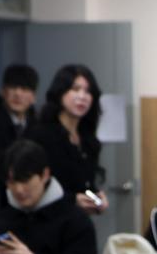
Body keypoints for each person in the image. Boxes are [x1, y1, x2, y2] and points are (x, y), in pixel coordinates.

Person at [27, 64, 108, 215]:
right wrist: (72, 200)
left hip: (78, 221)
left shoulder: (87, 139)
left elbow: (84, 184)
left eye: (88, 91)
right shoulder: (41, 134)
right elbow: (31, 186)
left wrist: (95, 197)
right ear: (60, 93)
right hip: (46, 218)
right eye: (75, 89)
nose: (82, 97)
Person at [0, 64, 39, 182]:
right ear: (2, 92)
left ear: (33, 97)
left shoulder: (39, 127)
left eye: (24, 89)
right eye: (13, 87)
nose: (18, 94)